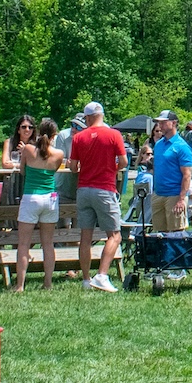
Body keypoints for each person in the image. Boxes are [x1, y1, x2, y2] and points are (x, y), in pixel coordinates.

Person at [68, 101, 128, 292]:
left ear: (87, 118)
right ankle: (102, 275)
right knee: (114, 235)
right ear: (102, 115)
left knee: (85, 236)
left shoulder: (79, 137)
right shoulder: (114, 135)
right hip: (104, 188)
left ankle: (86, 279)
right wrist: (112, 168)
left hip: (83, 189)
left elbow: (72, 166)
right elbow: (124, 161)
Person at [11, 116, 64, 291]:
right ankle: (47, 283)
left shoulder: (28, 149)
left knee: (24, 244)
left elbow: (22, 170)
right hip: (50, 198)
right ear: (54, 134)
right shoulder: (58, 154)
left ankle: (20, 285)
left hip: (31, 196)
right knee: (48, 243)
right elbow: (54, 171)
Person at [149, 110, 192, 236]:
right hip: (158, 194)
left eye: (163, 122)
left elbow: (187, 175)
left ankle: (177, 256)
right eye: (158, 123)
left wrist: (181, 199)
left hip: (174, 195)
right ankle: (163, 255)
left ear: (174, 123)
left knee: (177, 234)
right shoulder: (158, 145)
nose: (160, 126)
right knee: (160, 234)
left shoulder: (182, 147)